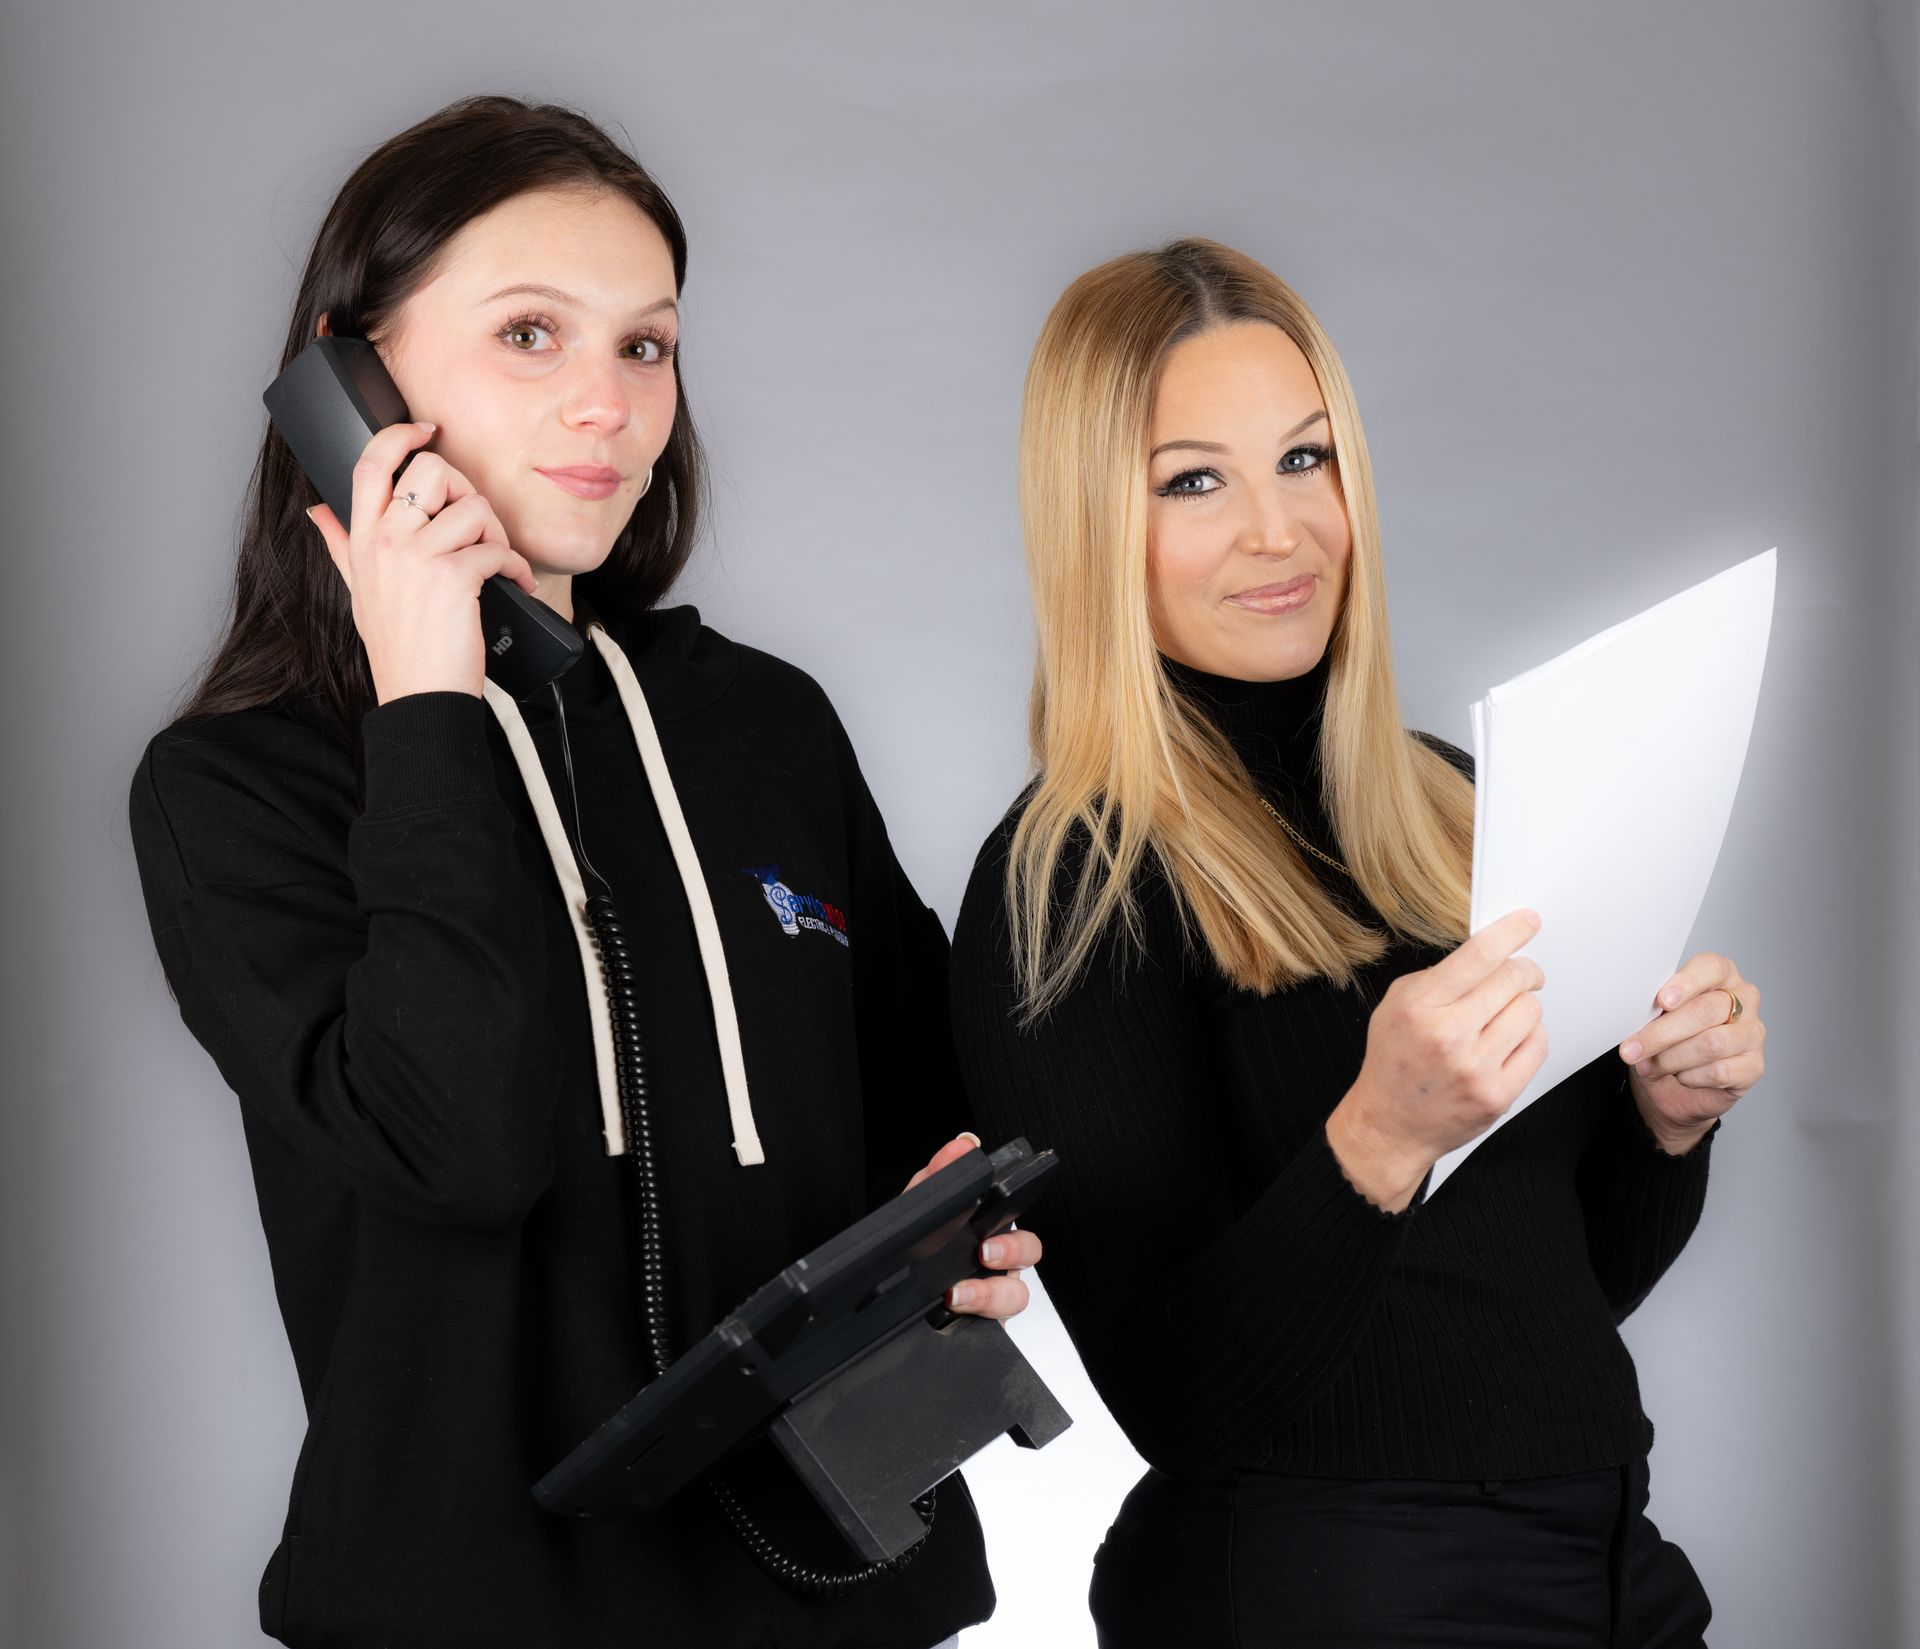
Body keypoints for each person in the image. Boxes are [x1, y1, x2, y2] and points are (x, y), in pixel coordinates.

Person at [126, 93, 1042, 1649]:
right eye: (531, 335)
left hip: (835, 1596)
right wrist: (426, 702)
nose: (610, 406)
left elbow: (933, 1108)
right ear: (355, 380)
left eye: (647, 344)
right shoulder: (238, 790)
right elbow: (458, 1145)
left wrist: (961, 1239)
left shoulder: (764, 723)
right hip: (473, 1612)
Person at [948, 236, 1767, 1647]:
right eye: (1193, 480)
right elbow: (1177, 1404)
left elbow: (1551, 1290)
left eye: (1306, 459)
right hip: (1327, 1585)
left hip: (1608, 1556)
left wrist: (1665, 1123)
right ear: (1094, 522)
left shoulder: (1456, 803)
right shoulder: (1070, 876)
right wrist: (1378, 1138)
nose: (1280, 531)